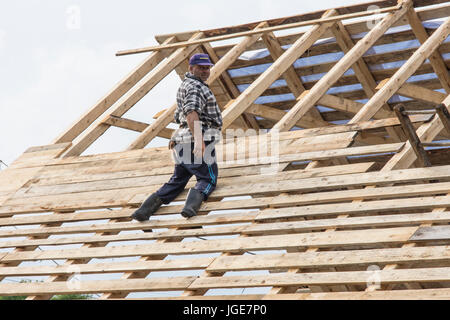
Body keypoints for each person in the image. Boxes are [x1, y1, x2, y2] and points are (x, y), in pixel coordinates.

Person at [131, 53, 222, 221]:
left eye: (207, 68)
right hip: (196, 138)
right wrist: (199, 141)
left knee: (177, 181)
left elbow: (181, 116)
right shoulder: (196, 87)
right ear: (191, 68)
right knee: (208, 178)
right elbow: (191, 112)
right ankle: (190, 208)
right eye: (201, 68)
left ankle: (144, 211)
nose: (205, 71)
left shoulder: (187, 85)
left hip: (182, 141)